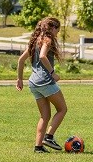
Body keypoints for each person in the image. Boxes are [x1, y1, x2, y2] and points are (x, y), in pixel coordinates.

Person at [16, 17, 68, 153]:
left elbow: (21, 60)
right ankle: (49, 136)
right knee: (62, 109)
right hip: (45, 81)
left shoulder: (35, 42)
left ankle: (38, 147)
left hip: (33, 83)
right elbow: (43, 56)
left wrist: (19, 79)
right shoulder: (47, 40)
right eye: (57, 30)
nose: (57, 33)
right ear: (52, 28)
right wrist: (52, 73)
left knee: (44, 116)